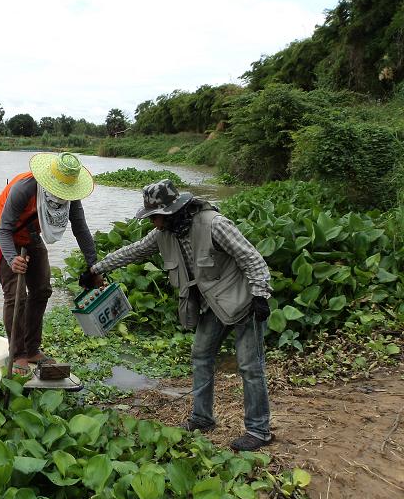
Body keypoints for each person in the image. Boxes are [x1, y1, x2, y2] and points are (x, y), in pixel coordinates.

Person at [82, 179, 273, 451]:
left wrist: (260, 295)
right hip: (213, 306)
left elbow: (252, 258)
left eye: (157, 217)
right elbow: (133, 251)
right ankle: (202, 418)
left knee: (250, 367)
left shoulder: (214, 224)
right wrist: (95, 270)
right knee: (200, 355)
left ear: (174, 211)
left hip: (244, 301)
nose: (154, 223)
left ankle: (259, 431)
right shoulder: (164, 233)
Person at [0, 152, 99, 378]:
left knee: (42, 289)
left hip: (29, 233)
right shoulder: (24, 188)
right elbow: (3, 230)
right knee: (16, 295)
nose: (62, 194)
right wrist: (11, 259)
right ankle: (18, 354)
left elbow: (81, 229)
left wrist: (94, 264)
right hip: (1, 233)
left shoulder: (69, 196)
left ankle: (32, 349)